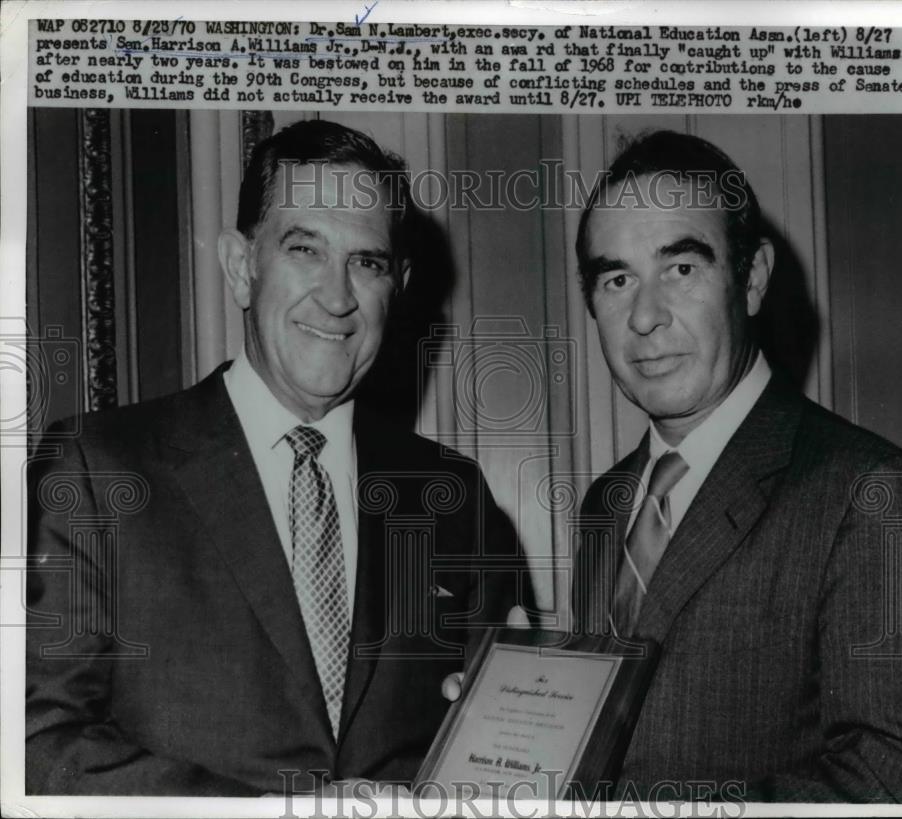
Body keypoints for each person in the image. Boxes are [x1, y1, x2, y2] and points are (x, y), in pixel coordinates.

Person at [25, 119, 528, 796]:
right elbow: (38, 743)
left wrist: (507, 729)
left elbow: (500, 754)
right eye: (304, 248)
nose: (338, 295)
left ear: (397, 287)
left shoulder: (454, 496)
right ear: (242, 266)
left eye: (367, 262)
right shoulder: (99, 469)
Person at [570, 130, 902, 802]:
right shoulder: (605, 502)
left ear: (751, 278)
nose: (644, 316)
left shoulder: (871, 492)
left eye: (681, 268)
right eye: (617, 279)